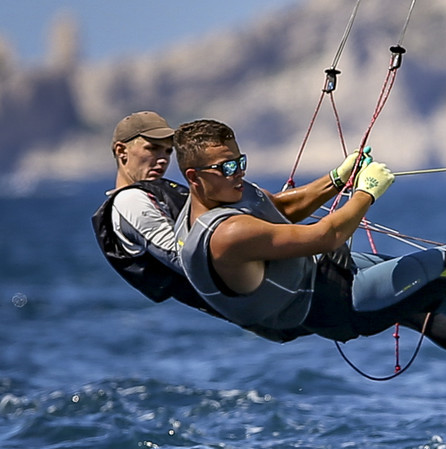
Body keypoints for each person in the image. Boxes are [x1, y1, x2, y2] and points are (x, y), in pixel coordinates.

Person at [173, 118, 446, 383]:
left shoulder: (225, 191)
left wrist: (335, 179)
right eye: (227, 167)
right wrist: (366, 193)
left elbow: (279, 206)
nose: (238, 172)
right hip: (335, 303)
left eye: (240, 161)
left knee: (439, 296)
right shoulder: (225, 235)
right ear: (194, 177)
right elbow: (325, 236)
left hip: (332, 277)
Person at [91, 110, 363, 317]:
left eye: (168, 151)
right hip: (274, 300)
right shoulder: (129, 202)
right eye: (151, 148)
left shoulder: (159, 190)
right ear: (121, 151)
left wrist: (337, 179)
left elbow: (275, 209)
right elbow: (188, 257)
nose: (162, 159)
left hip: (281, 290)